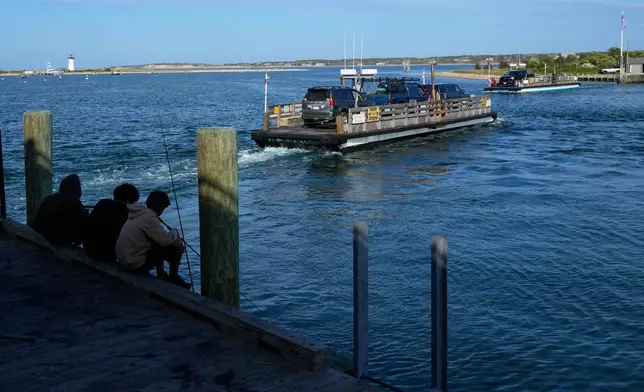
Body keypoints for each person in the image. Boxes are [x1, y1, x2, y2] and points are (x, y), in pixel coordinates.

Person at [115, 190, 191, 289]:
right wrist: (176, 232)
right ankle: (173, 276)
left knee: (157, 242)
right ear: (160, 208)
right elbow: (165, 240)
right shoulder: (149, 219)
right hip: (133, 265)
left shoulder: (138, 213)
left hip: (123, 261)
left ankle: (162, 275)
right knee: (176, 246)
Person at [82, 183, 140, 262]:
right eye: (134, 203)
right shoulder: (127, 213)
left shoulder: (102, 203)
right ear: (127, 201)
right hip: (108, 254)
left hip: (89, 249)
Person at [31, 174, 88, 246]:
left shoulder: (48, 199)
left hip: (47, 236)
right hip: (60, 240)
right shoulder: (73, 202)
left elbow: (36, 225)